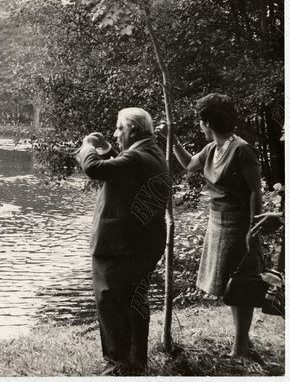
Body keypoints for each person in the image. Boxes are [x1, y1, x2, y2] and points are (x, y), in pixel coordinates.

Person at [160, 93, 262, 358]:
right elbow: (188, 165)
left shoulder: (241, 149)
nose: (199, 125)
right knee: (230, 284)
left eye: (200, 121)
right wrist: (173, 141)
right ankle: (244, 341)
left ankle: (240, 347)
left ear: (208, 121)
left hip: (240, 224)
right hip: (217, 220)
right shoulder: (212, 148)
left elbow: (255, 191)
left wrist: (254, 227)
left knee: (240, 284)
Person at [75, 108, 169, 376]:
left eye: (119, 129)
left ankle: (118, 365)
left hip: (119, 245)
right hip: (140, 244)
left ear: (133, 131)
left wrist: (88, 146)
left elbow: (94, 169)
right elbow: (123, 169)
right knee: (134, 303)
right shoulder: (150, 152)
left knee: (111, 303)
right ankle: (135, 362)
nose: (115, 134)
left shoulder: (138, 157)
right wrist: (108, 150)